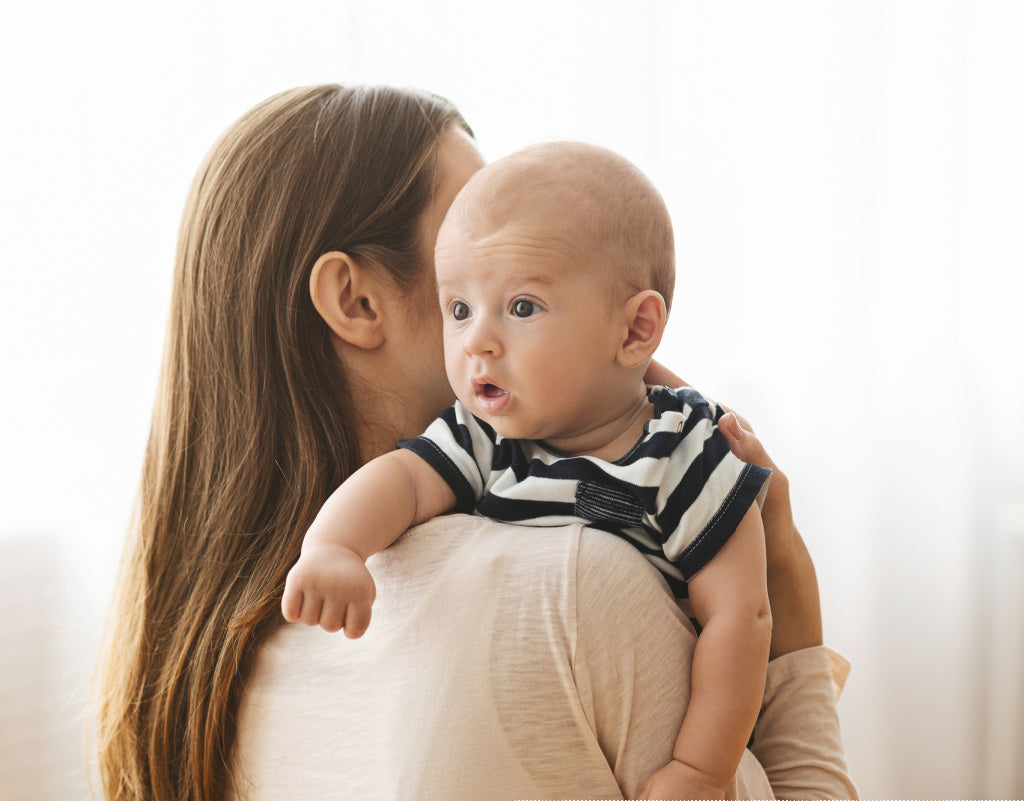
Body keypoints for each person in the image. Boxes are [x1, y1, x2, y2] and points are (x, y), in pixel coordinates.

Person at [93, 84, 856, 801]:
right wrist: (787, 585)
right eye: (463, 256)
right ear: (355, 300)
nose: (502, 240)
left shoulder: (198, 656)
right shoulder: (573, 585)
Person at [282, 141, 774, 799]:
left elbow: (741, 619)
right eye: (458, 308)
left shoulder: (683, 446)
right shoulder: (491, 436)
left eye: (521, 307)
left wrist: (700, 769)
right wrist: (335, 546)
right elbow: (401, 479)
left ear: (635, 331)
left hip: (691, 732)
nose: (476, 341)